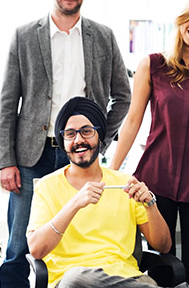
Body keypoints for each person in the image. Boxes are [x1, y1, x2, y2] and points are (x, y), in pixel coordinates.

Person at [0, 0, 131, 287]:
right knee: (19, 244)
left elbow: (122, 96)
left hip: (84, 153)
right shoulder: (25, 35)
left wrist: (102, 138)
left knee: (77, 231)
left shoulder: (103, 36)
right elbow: (7, 101)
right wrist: (6, 161)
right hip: (33, 154)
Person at [109, 0, 189, 288]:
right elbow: (132, 121)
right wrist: (112, 172)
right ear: (182, 19)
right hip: (155, 181)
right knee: (161, 267)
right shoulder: (152, 65)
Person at [27, 97, 179, 288]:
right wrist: (75, 203)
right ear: (62, 141)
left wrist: (150, 204)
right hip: (74, 282)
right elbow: (36, 250)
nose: (79, 140)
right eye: (70, 134)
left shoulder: (125, 184)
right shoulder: (47, 186)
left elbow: (163, 246)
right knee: (77, 277)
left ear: (99, 135)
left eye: (87, 131)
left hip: (128, 279)